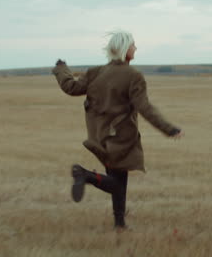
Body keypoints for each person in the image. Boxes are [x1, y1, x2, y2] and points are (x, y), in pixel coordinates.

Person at [52, 31, 183, 230]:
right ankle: (85, 175)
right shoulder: (133, 76)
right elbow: (145, 108)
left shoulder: (95, 72)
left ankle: (119, 223)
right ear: (124, 48)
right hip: (122, 138)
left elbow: (71, 87)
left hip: (99, 136)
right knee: (117, 183)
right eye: (133, 45)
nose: (135, 48)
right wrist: (169, 129)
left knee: (117, 179)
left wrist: (61, 69)